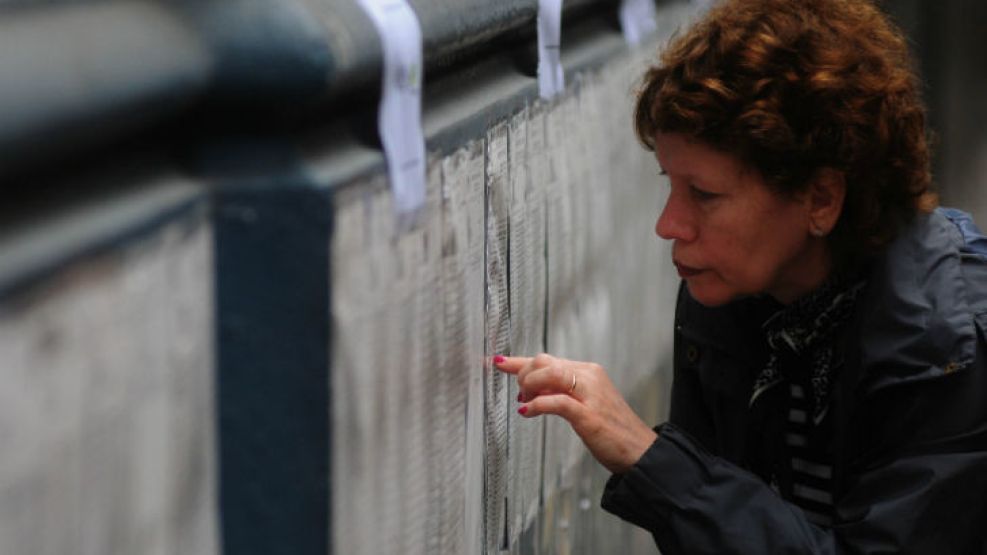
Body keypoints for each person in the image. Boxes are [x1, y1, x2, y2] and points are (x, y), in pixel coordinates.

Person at [494, 0, 987, 552]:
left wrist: (651, 459)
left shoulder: (942, 338)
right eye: (669, 184)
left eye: (703, 194)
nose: (668, 225)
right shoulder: (730, 292)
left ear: (821, 198)